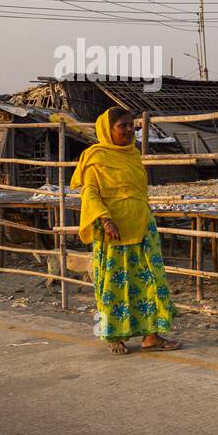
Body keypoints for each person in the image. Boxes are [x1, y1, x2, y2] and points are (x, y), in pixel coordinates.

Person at [70, 107, 180, 354]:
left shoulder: (132, 155)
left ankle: (152, 336)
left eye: (132, 125)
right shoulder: (95, 157)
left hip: (142, 228)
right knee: (114, 285)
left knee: (152, 281)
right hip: (113, 233)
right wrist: (106, 220)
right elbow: (89, 192)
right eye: (123, 126)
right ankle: (113, 335)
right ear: (107, 130)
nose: (130, 130)